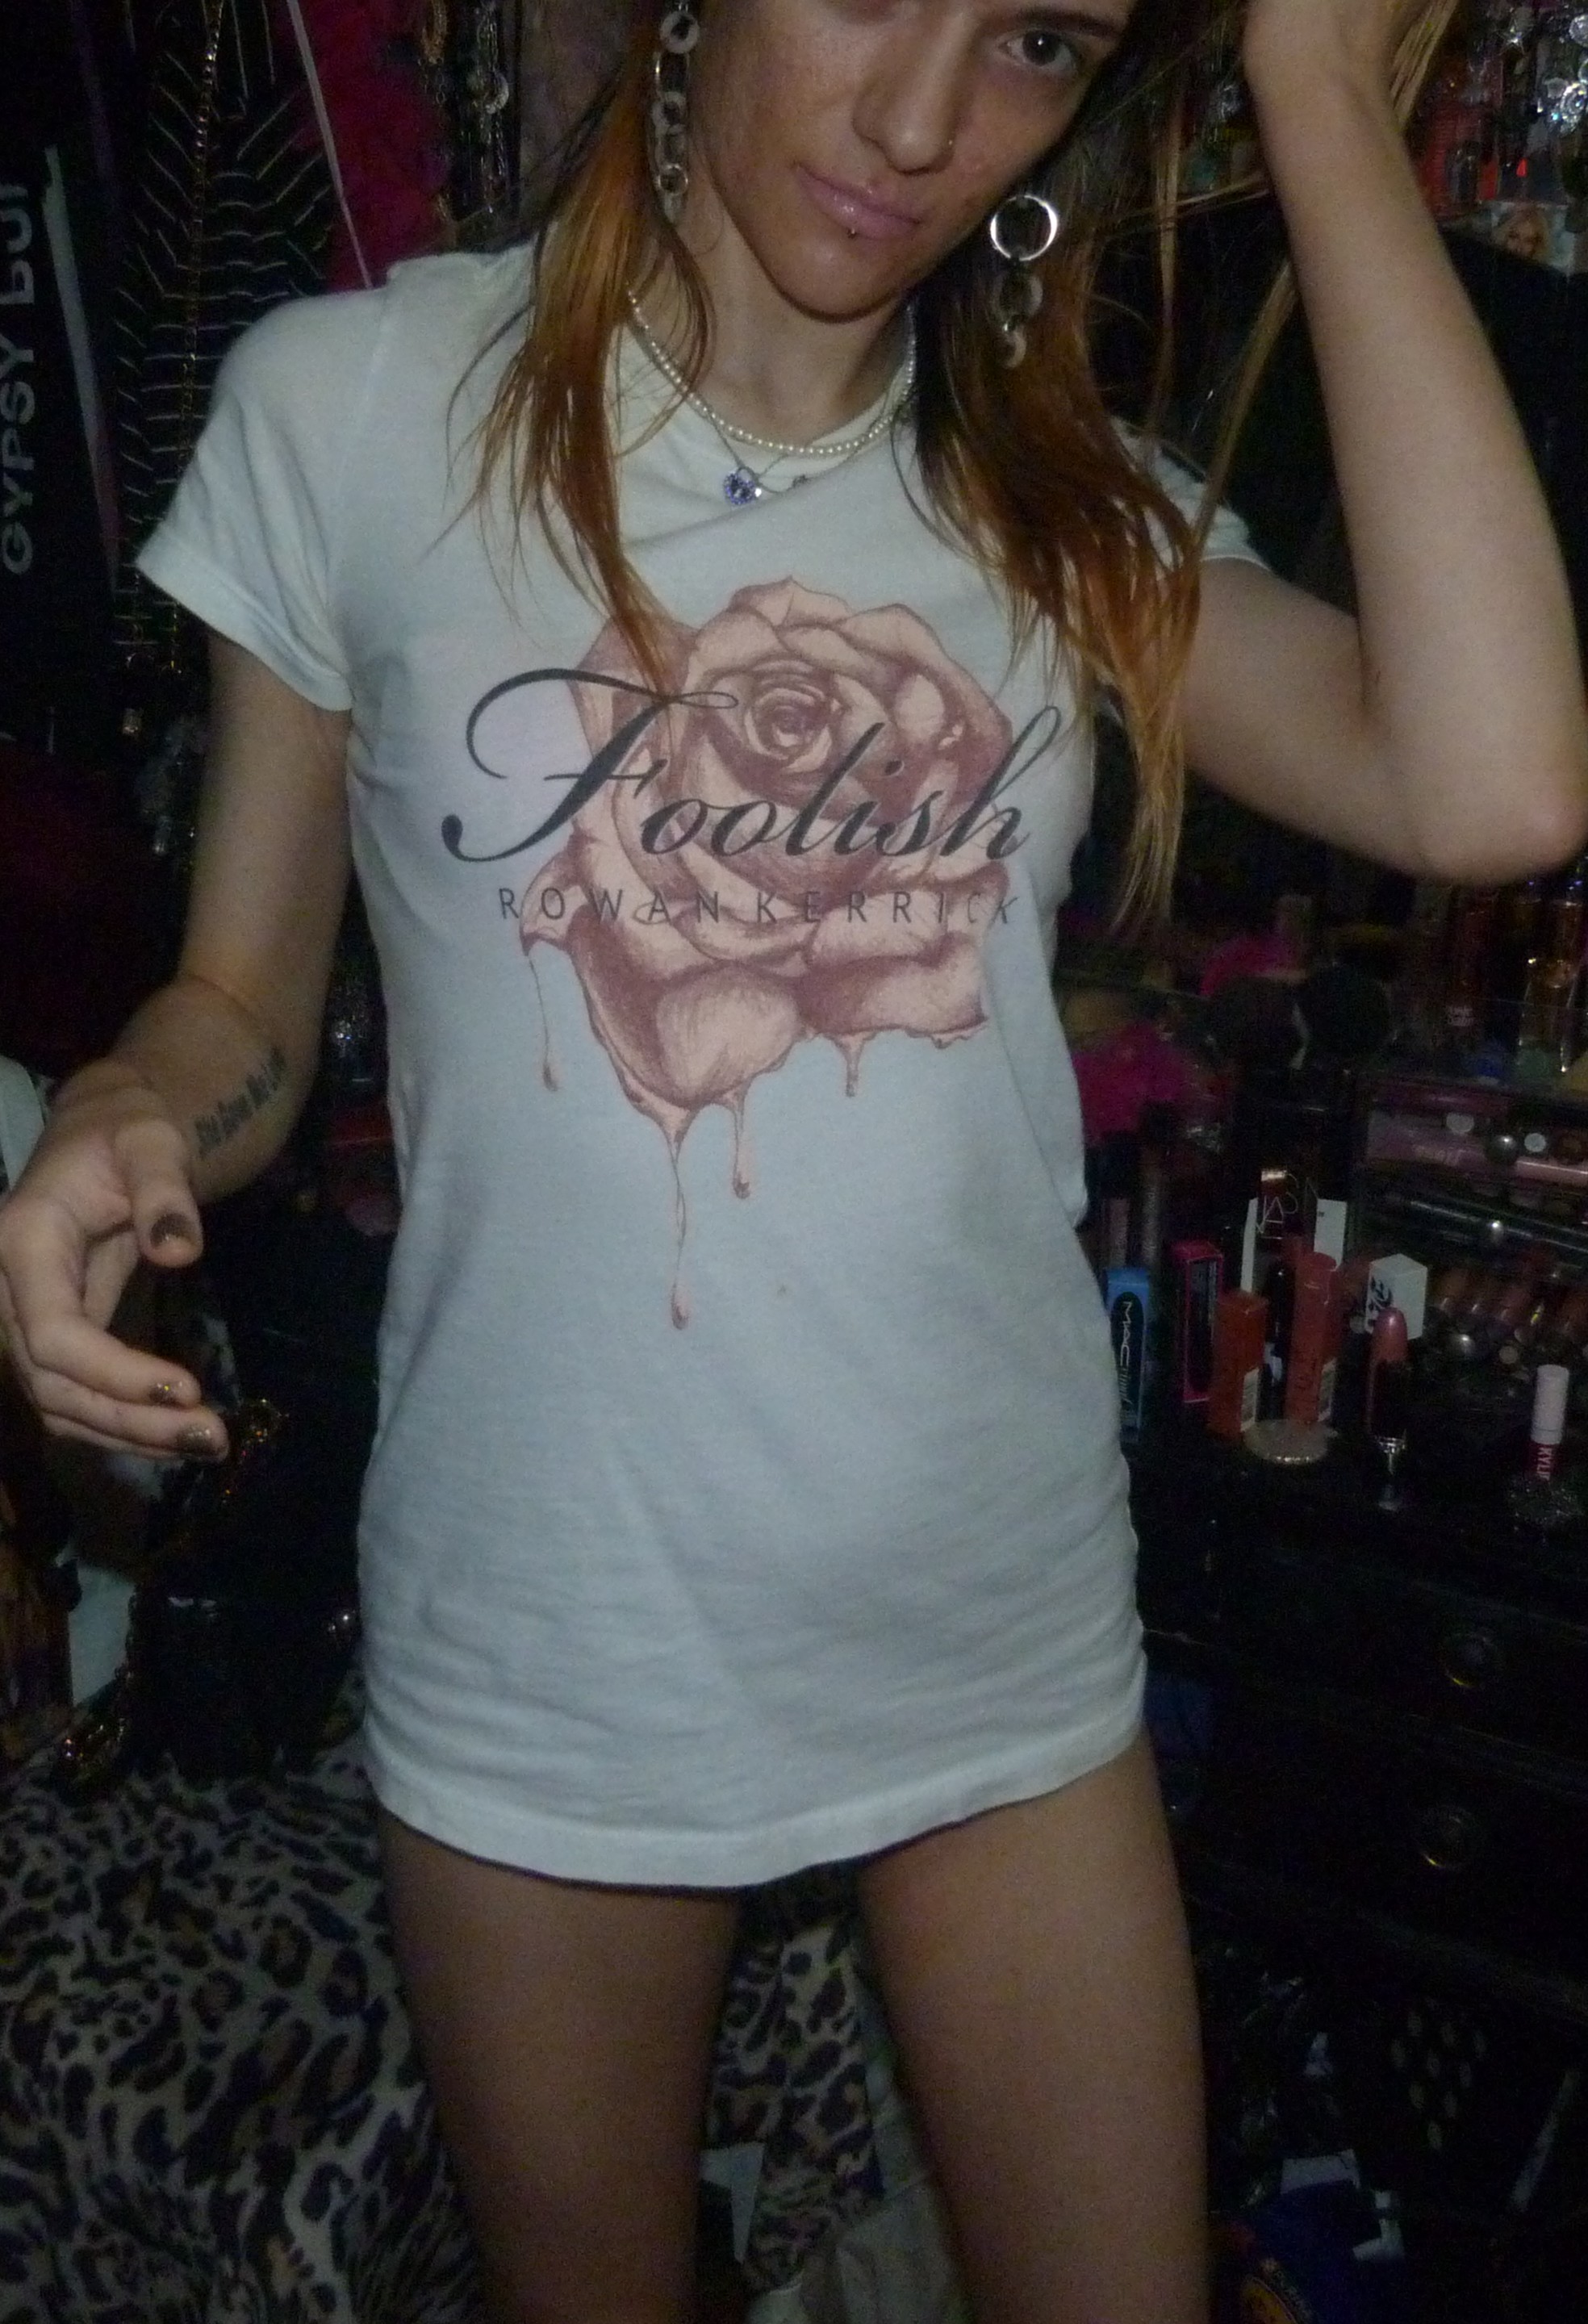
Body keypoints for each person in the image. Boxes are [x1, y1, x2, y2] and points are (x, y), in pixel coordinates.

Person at [2, 2, 1585, 2318]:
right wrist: (127, 1115)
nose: (925, 122)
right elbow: (238, 1004)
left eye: (1035, 40)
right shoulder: (354, 404)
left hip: (997, 1633)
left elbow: (1496, 786)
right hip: (552, 1630)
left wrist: (1325, 103)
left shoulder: (1059, 505)